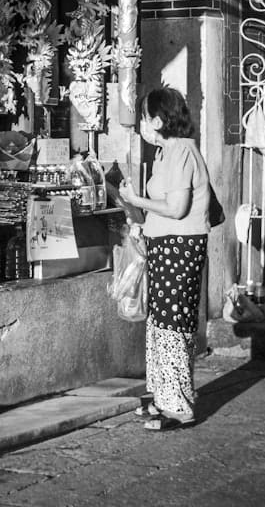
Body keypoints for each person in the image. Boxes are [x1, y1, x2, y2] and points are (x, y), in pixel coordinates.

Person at [118, 86, 211, 431]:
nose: (141, 124)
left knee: (173, 324)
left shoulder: (182, 152)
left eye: (143, 118)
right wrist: (140, 220)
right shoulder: (164, 153)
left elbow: (177, 207)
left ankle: (179, 406)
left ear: (157, 120)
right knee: (160, 323)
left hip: (181, 247)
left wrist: (137, 201)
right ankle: (162, 397)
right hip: (164, 244)